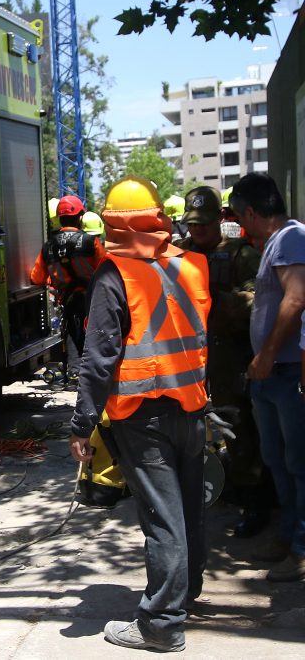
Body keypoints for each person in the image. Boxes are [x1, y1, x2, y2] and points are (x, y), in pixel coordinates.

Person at [69, 176, 210, 653]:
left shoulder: (113, 276)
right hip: (190, 408)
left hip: (142, 416)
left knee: (162, 519)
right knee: (188, 510)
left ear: (111, 223)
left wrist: (82, 423)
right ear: (157, 218)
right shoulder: (192, 266)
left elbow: (99, 357)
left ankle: (162, 624)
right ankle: (185, 592)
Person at [177, 186, 269, 538]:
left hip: (229, 354)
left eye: (203, 223)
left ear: (219, 219)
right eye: (192, 224)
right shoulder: (178, 255)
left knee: (239, 428)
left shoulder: (238, 255)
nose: (197, 230)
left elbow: (259, 303)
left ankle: (254, 500)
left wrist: (218, 299)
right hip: (187, 356)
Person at [228, 173, 305, 582]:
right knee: (277, 460)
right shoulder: (277, 243)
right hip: (269, 374)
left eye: (243, 219)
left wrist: (269, 355)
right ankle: (289, 535)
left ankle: (301, 547)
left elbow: (296, 300)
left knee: (298, 463)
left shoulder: (291, 237)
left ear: (253, 212)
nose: (243, 228)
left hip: (286, 371)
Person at [29, 195, 107, 374]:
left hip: (68, 299)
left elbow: (37, 278)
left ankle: (74, 372)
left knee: (71, 332)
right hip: (92, 299)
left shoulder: (48, 246)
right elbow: (105, 269)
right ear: (80, 217)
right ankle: (94, 371)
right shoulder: (90, 241)